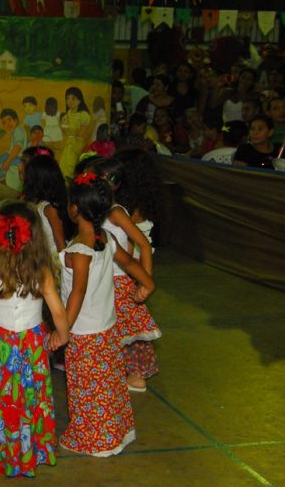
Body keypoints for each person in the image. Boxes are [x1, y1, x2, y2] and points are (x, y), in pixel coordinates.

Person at [55, 171, 155, 456]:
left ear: (74, 209)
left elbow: (78, 292)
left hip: (84, 332)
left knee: (87, 387)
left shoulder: (79, 250)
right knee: (108, 383)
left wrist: (63, 329)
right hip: (107, 329)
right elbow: (130, 262)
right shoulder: (107, 238)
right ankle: (116, 432)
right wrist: (148, 283)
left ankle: (96, 441)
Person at [0, 202, 70, 478]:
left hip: (3, 346)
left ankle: (0, 449)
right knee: (30, 397)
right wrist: (62, 336)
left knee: (2, 397)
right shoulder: (42, 271)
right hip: (33, 346)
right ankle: (29, 450)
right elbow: (58, 311)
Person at [95, 153, 163, 392]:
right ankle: (124, 373)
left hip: (117, 280)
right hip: (106, 278)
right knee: (121, 330)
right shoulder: (101, 210)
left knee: (128, 331)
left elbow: (142, 243)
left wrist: (145, 281)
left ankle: (135, 375)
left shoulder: (115, 213)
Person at [22, 153, 68, 285]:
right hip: (40, 257)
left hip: (54, 260)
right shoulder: (35, 205)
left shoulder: (49, 209)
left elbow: (60, 243)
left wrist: (66, 268)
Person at [59, 86, 92, 179]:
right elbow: (66, 131)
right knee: (63, 165)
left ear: (79, 100)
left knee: (71, 166)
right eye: (68, 98)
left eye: (73, 98)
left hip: (77, 145)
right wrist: (64, 126)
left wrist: (71, 132)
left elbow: (81, 133)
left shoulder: (83, 115)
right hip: (68, 144)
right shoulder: (68, 113)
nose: (70, 101)